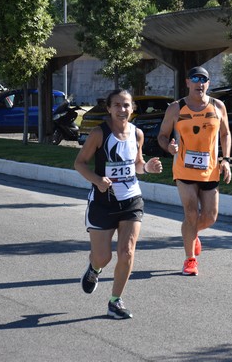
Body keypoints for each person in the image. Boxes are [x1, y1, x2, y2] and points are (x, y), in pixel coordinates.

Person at [74, 89, 163, 319]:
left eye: (126, 105)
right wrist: (97, 180)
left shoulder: (138, 134)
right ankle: (94, 268)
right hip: (103, 202)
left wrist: (147, 168)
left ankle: (115, 301)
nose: (122, 110)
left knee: (126, 252)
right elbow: (80, 163)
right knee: (103, 257)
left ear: (132, 108)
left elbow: (137, 164)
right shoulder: (99, 133)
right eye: (117, 105)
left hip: (131, 200)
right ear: (109, 108)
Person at [157, 66, 232, 276]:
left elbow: (226, 135)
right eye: (195, 79)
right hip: (183, 170)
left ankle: (193, 234)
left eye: (204, 80)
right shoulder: (175, 108)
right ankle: (190, 259)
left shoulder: (218, 106)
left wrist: (225, 160)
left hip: (210, 170)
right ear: (187, 82)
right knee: (190, 213)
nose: (200, 83)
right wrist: (168, 146)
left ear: (208, 84)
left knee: (210, 216)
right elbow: (162, 135)